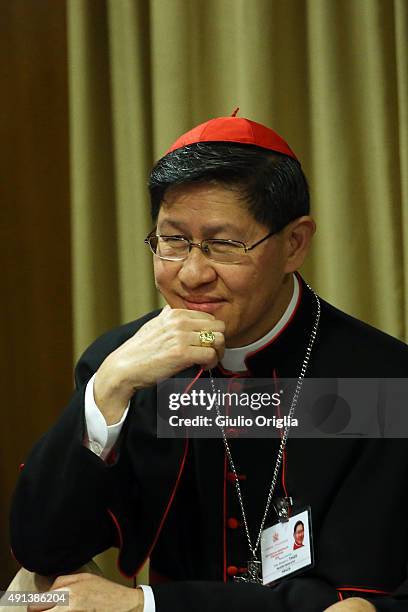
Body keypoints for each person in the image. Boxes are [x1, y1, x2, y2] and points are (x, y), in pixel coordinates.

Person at [9, 115, 408, 612]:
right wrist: (107, 389)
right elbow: (42, 549)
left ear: (294, 244)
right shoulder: (128, 363)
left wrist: (147, 605)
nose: (193, 274)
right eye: (173, 241)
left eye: (224, 245)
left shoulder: (381, 380)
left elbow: (352, 599)